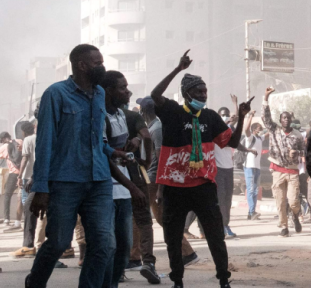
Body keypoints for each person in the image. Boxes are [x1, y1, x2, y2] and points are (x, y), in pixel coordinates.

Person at [27, 44, 143, 288]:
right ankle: (34, 283)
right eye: (97, 62)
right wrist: (41, 188)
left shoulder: (100, 93)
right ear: (81, 65)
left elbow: (95, 140)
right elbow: (45, 142)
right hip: (65, 182)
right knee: (58, 243)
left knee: (105, 244)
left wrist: (114, 152)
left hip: (99, 181)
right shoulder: (56, 94)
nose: (102, 66)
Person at [151, 50, 250, 288]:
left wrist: (243, 117)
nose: (203, 95)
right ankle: (177, 280)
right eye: (198, 92)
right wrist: (177, 69)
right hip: (174, 187)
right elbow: (155, 94)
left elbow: (232, 142)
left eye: (205, 92)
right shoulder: (173, 112)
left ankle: (224, 280)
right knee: (173, 239)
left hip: (204, 186)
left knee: (216, 237)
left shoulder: (210, 116)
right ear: (187, 94)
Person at [99, 70, 153, 287]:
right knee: (107, 245)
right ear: (109, 91)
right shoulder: (100, 116)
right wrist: (133, 186)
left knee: (124, 246)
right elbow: (105, 156)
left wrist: (135, 143)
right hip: (106, 188)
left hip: (123, 188)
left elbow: (136, 141)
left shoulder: (121, 115)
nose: (128, 91)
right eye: (122, 87)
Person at [139, 97, 200, 269]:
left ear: (143, 112)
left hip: (153, 179)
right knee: (163, 219)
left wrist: (160, 185)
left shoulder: (156, 129)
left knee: (140, 217)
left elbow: (162, 157)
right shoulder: (153, 127)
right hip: (154, 178)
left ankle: (133, 257)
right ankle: (188, 253)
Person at [262, 87, 305, 237]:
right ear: (280, 120)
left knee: (293, 201)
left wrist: (297, 152)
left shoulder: (298, 135)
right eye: (283, 118)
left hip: (292, 171)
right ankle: (284, 226)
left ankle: (295, 215)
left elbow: (304, 151)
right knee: (280, 201)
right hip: (278, 170)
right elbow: (266, 118)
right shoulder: (274, 130)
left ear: (291, 120)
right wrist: (266, 98)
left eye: (288, 118)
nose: (286, 120)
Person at [215, 98, 240, 238]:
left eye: (227, 114)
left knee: (228, 199)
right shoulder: (215, 128)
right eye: (222, 114)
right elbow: (221, 126)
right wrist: (227, 121)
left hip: (229, 168)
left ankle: (226, 225)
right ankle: (220, 226)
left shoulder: (230, 129)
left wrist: (235, 105)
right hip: (218, 168)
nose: (225, 116)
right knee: (220, 198)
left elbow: (235, 119)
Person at [12, 122, 37, 256]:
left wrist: (20, 176)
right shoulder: (40, 137)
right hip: (39, 177)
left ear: (23, 131)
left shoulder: (27, 140)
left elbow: (25, 158)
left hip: (29, 178)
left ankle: (28, 245)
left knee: (28, 208)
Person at [240, 112, 264, 220]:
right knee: (250, 190)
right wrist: (251, 117)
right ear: (254, 129)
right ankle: (252, 211)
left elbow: (268, 133)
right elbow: (246, 129)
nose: (260, 130)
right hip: (249, 167)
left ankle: (251, 212)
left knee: (255, 190)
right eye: (259, 128)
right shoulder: (250, 137)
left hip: (257, 167)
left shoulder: (259, 138)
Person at [1, 131, 21, 226]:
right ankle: (19, 220)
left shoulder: (5, 146)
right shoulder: (19, 141)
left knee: (7, 195)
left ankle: (6, 219)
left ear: (4, 139)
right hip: (24, 173)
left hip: (14, 173)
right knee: (23, 196)